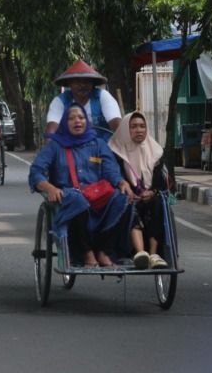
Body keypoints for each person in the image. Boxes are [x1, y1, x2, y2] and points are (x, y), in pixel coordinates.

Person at [29, 102, 135, 267]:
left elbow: (111, 171)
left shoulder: (98, 144)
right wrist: (50, 188)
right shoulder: (55, 146)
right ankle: (87, 253)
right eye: (71, 118)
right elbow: (35, 172)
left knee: (123, 196)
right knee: (77, 198)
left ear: (86, 121)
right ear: (65, 122)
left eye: (80, 117)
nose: (77, 121)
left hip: (98, 198)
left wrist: (121, 182)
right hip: (70, 199)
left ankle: (104, 251)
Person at [108, 111, 169, 269]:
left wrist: (152, 192)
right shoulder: (115, 152)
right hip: (128, 197)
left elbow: (161, 183)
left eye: (142, 126)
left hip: (148, 197)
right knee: (126, 201)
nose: (139, 130)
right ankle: (140, 253)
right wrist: (129, 192)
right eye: (133, 127)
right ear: (125, 131)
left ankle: (154, 254)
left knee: (158, 201)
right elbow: (112, 177)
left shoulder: (154, 151)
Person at [45, 60, 122, 143]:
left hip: (104, 149)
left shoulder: (102, 97)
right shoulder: (60, 102)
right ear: (70, 83)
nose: (82, 85)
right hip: (72, 149)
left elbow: (117, 125)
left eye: (87, 81)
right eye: (77, 81)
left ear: (92, 83)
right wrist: (48, 152)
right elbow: (51, 132)